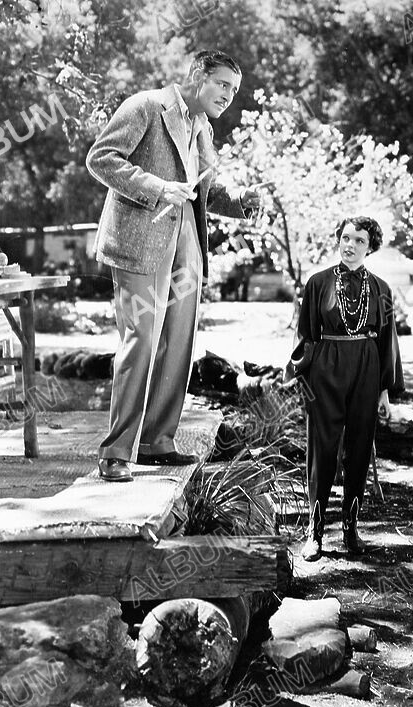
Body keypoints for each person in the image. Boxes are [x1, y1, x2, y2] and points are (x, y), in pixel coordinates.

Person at [87, 50, 264, 482]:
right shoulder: (146, 106)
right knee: (142, 341)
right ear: (197, 75)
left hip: (186, 242)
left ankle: (156, 441)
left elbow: (202, 188)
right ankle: (116, 452)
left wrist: (240, 202)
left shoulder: (200, 124)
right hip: (141, 240)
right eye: (223, 84)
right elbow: (101, 158)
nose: (228, 96)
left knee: (177, 346)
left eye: (234, 90)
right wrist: (157, 188)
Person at [287, 216, 403, 559]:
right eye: (346, 237)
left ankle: (351, 528)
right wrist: (303, 383)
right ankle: (316, 530)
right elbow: (304, 337)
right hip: (327, 367)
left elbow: (386, 341)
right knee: (322, 451)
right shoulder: (318, 282)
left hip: (366, 368)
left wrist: (384, 389)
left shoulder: (381, 289)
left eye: (360, 241)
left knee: (359, 447)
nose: (350, 245)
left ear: (371, 247)